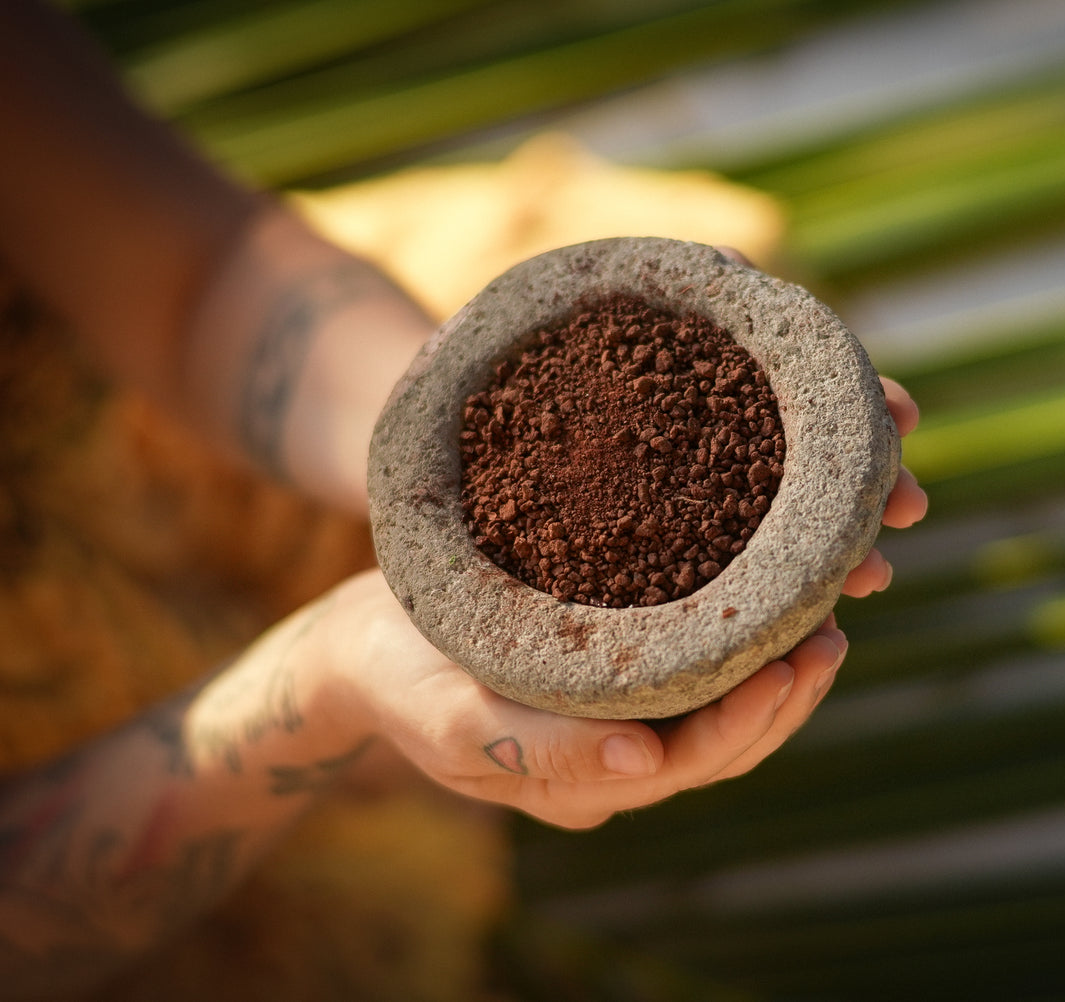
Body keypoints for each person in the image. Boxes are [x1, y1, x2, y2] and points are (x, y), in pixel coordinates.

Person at [0, 0, 927, 995]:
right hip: (119, 822)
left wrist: (437, 439)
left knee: (711, 237)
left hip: (142, 438)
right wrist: (327, 682)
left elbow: (202, 284)